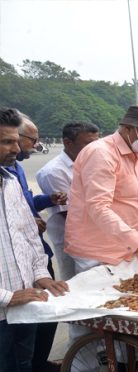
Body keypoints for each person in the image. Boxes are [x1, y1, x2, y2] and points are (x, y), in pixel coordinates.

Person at [65, 105, 138, 274]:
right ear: (127, 128)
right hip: (98, 251)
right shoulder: (101, 154)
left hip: (127, 245)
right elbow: (98, 207)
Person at [0, 108, 68, 372]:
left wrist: (41, 275)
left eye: (17, 140)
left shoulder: (11, 183)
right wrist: (7, 296)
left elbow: (29, 237)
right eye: (7, 141)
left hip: (25, 305)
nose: (16, 148)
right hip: (6, 306)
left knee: (24, 364)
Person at [36, 121, 100, 281]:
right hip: (71, 236)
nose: (94, 148)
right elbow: (69, 214)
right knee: (74, 283)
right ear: (68, 143)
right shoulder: (53, 172)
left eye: (96, 143)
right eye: (88, 144)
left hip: (96, 231)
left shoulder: (91, 162)